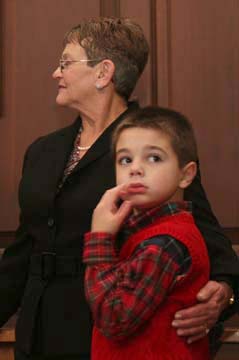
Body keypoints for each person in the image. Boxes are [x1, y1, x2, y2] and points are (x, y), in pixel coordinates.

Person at [0, 17, 237, 360]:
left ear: (103, 72)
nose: (56, 72)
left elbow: (212, 248)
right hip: (38, 334)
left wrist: (224, 294)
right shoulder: (43, 150)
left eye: (66, 62)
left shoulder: (154, 149)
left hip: (113, 336)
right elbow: (23, 252)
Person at [83, 105, 210, 359]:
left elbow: (115, 319)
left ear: (186, 175)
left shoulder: (164, 243)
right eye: (125, 159)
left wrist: (100, 238)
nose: (135, 169)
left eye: (154, 158)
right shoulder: (142, 230)